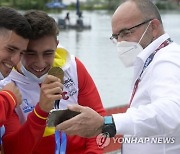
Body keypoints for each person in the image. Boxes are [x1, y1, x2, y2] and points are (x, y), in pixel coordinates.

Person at [56, 0, 180, 154]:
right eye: (116, 36)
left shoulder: (166, 61)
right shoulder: (152, 60)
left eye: (126, 33)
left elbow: (171, 113)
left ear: (153, 27)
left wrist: (107, 123)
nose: (120, 42)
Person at [1, 10, 105, 154]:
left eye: (48, 53)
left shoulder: (72, 67)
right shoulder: (7, 86)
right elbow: (13, 150)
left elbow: (99, 122)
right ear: (21, 49)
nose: (40, 63)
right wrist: (41, 111)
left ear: (57, 45)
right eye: (30, 53)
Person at [0, 6, 32, 151]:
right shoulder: (8, 93)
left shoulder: (5, 86)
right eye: (11, 49)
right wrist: (9, 99)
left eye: (21, 53)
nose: (14, 60)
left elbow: (17, 149)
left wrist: (42, 110)